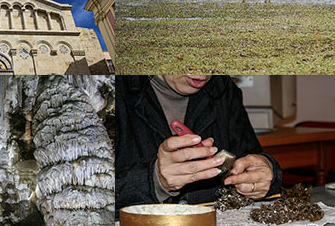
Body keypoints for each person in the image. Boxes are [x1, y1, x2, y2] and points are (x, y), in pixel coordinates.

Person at [115, 75, 282, 218]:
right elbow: (91, 197)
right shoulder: (107, 90)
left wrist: (267, 173)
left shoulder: (222, 88)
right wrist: (153, 180)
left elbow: (250, 159)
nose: (203, 73)